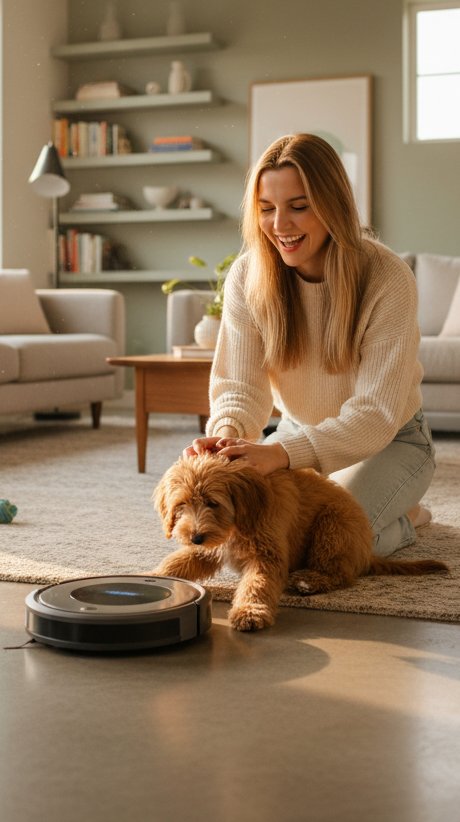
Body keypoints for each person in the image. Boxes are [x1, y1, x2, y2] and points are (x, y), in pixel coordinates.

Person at [184, 132, 435, 558]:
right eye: (267, 209)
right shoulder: (248, 276)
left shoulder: (387, 277)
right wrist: (226, 438)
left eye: (298, 207)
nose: (280, 225)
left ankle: (410, 517)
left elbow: (376, 415)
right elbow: (240, 387)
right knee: (264, 543)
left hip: (391, 441)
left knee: (330, 548)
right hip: (296, 433)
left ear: (333, 204)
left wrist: (280, 455)